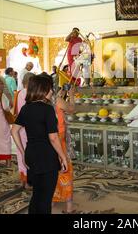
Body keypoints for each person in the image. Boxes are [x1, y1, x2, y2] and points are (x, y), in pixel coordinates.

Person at [12, 75, 68, 214]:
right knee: (45, 197)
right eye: (50, 89)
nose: (52, 92)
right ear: (43, 90)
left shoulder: (26, 108)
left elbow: (14, 131)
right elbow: (53, 138)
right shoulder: (47, 109)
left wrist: (23, 152)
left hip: (31, 153)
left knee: (37, 194)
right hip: (46, 156)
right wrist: (63, 157)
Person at [52, 85, 75, 213]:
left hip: (48, 139)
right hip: (60, 139)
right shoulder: (58, 101)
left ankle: (52, 200)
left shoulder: (40, 100)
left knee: (51, 169)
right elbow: (71, 109)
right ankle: (69, 207)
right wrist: (71, 95)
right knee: (65, 168)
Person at [14, 72, 35, 187]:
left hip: (19, 127)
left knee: (20, 152)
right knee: (28, 153)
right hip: (29, 127)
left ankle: (23, 178)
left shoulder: (19, 93)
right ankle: (28, 180)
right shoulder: (31, 93)